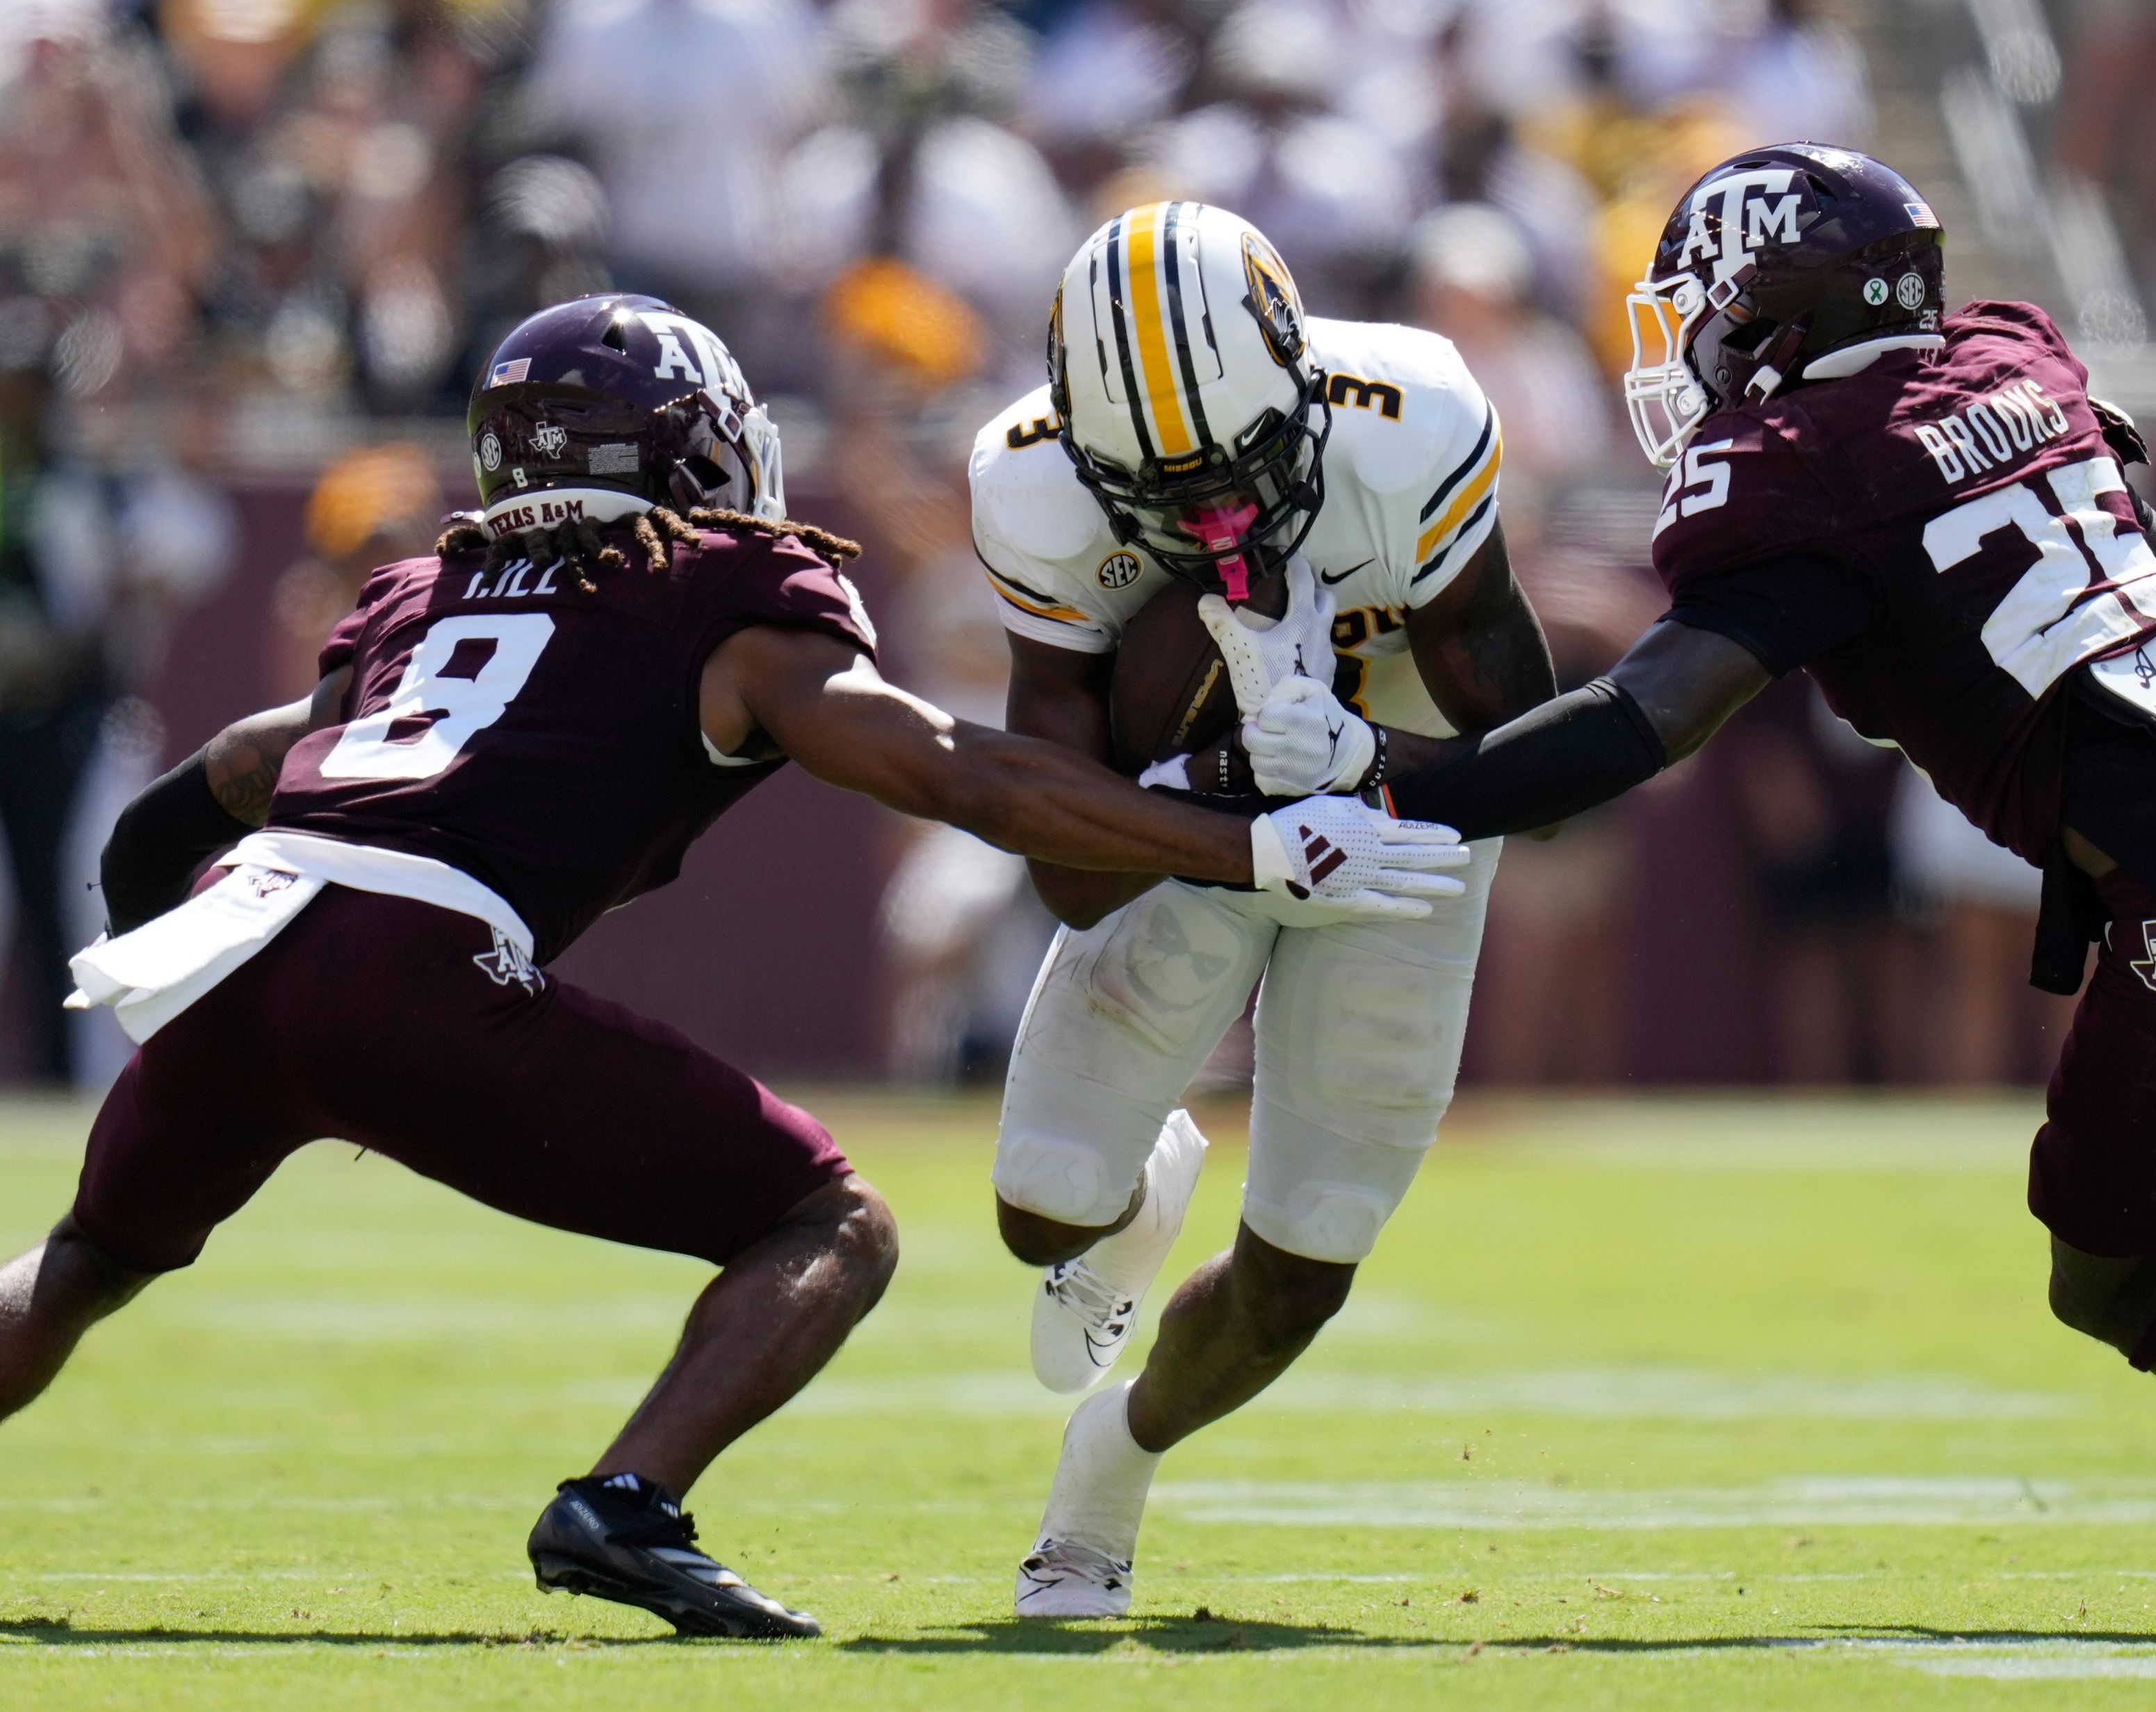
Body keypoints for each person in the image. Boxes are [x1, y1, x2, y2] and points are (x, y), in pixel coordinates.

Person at [1, 293, 1465, 1641]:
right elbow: (967, 777)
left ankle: (615, 1494)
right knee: (830, 1223)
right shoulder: (721, 587)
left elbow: (224, 780)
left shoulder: (417, 590)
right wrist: (1249, 849)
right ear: (692, 450)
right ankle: (623, 1504)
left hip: (243, 925)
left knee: (81, 1263)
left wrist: (177, 1010)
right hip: (413, 947)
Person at [1358, 146, 2156, 1630]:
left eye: (1719, 308)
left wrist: (1402, 789)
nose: (1703, 344)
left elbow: (1644, 718)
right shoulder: (2009, 353)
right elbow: (2146, 551)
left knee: (2121, 1285)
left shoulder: (1796, 475)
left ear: (1791, 307)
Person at [970, 202, 1556, 1617]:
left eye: (1241, 470)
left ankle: (1112, 1462)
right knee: (1043, 1207)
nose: (1219, 519)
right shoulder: (1029, 486)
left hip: (1398, 816)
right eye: (1165, 493)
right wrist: (1219, 786)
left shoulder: (1412, 414)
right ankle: (1135, 1196)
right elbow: (1064, 849)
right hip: (1187, 820)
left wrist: (1365, 767)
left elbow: (1534, 752)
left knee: (1312, 1246)